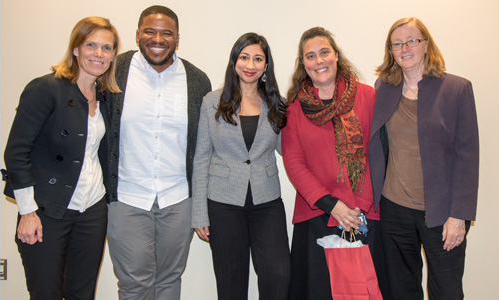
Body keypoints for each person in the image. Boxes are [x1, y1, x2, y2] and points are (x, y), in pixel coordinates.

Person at [2, 16, 119, 300]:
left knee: (82, 294)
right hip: (46, 210)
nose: (98, 54)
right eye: (91, 45)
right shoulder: (45, 88)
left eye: (107, 48)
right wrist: (27, 212)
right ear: (76, 48)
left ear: (114, 55)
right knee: (46, 293)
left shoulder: (105, 96)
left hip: (91, 210)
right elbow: (16, 153)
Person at [105, 5, 211, 300]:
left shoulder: (197, 80)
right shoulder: (115, 70)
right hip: (128, 197)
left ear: (178, 39)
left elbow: (202, 147)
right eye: (150, 31)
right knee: (134, 284)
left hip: (177, 198)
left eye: (167, 33)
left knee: (169, 280)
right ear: (137, 34)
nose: (158, 38)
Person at [370, 17, 479, 300]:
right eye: (397, 44)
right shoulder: (383, 87)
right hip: (394, 211)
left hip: (442, 214)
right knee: (400, 290)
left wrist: (459, 215)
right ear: (391, 51)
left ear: (426, 44)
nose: (404, 48)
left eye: (411, 41)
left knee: (447, 291)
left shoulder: (457, 89)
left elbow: (468, 157)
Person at [281, 26, 388, 299]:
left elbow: (377, 154)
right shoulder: (293, 108)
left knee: (365, 292)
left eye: (324, 52)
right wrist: (332, 205)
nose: (319, 61)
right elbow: (294, 163)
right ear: (303, 64)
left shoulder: (367, 97)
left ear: (336, 55)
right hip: (316, 214)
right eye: (311, 56)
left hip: (362, 215)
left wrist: (355, 209)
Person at [192, 32, 290, 300]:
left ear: (266, 65)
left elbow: (289, 149)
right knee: (231, 281)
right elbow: (201, 156)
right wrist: (199, 213)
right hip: (223, 202)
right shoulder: (212, 101)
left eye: (258, 58)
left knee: (278, 274)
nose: (250, 64)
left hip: (267, 201)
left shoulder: (277, 103)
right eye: (244, 57)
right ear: (234, 60)